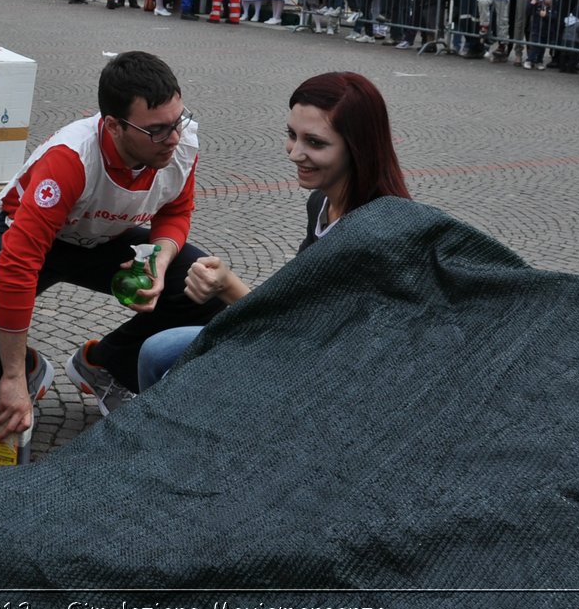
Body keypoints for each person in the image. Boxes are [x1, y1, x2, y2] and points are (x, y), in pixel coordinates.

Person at [0, 51, 224, 429]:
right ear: (114, 126)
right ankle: (26, 370)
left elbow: (175, 211)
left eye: (177, 121)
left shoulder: (180, 144)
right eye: (157, 130)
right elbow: (19, 263)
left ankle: (105, 364)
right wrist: (13, 374)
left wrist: (159, 260)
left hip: (104, 237)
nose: (174, 138)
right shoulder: (70, 158)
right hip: (38, 236)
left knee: (204, 289)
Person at [135, 71, 410, 390]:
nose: (294, 153)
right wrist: (225, 284)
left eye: (315, 143)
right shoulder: (321, 203)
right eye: (292, 134)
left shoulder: (378, 233)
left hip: (328, 374)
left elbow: (312, 342)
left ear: (358, 147)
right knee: (157, 350)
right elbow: (291, 309)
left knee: (178, 383)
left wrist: (228, 287)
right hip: (294, 342)